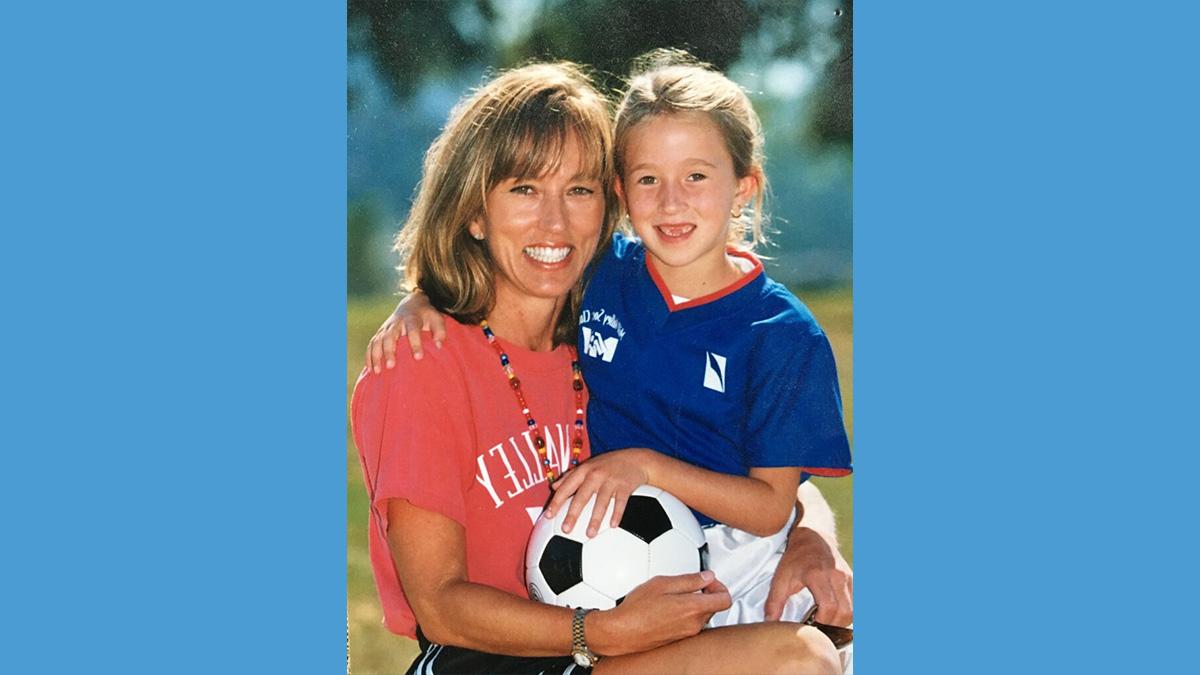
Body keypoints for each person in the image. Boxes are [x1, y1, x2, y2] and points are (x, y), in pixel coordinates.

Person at [352, 61, 843, 675]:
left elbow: (757, 474)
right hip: (492, 659)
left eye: (578, 190)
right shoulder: (423, 363)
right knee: (795, 662)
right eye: (524, 189)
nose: (555, 222)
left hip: (630, 636)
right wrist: (602, 631)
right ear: (473, 212)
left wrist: (811, 535)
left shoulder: (599, 332)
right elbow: (440, 606)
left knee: (819, 651)